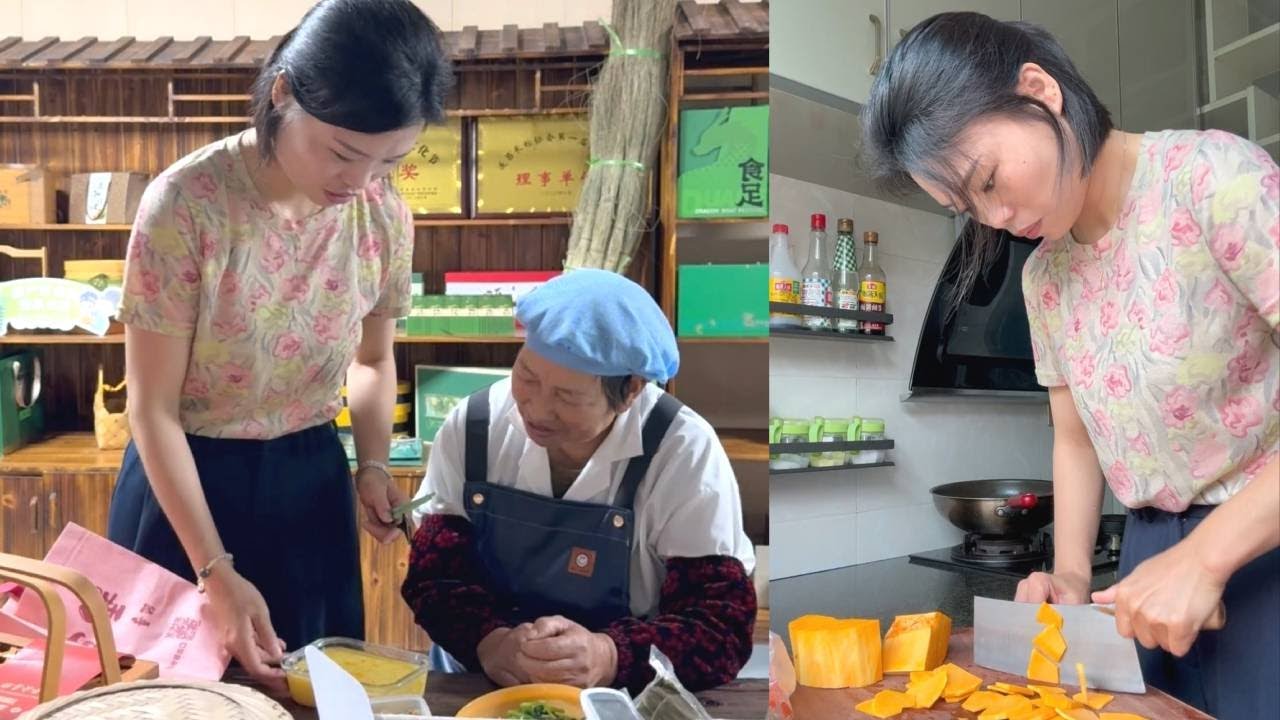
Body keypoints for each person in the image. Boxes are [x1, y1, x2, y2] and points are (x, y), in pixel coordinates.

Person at [861, 11, 1278, 719]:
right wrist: (1072, 576)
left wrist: (1208, 558)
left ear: (1039, 90)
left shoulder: (1214, 178)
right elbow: (1075, 439)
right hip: (1147, 563)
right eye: (965, 206)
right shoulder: (1043, 277)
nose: (991, 218)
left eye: (987, 179)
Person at [107, 0, 452, 685]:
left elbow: (373, 360)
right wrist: (215, 571)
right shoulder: (186, 206)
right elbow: (153, 410)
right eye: (344, 152)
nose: (359, 183)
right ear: (281, 93)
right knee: (172, 694)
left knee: (311, 687)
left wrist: (374, 466)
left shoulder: (381, 213)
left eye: (391, 161)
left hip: (309, 483)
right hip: (187, 486)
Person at [400, 269, 758, 693]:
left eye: (567, 397)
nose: (536, 409)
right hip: (480, 679)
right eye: (527, 376)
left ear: (630, 392)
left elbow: (719, 624)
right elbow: (435, 574)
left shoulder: (681, 451)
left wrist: (609, 656)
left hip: (621, 694)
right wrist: (490, 643)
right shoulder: (475, 426)